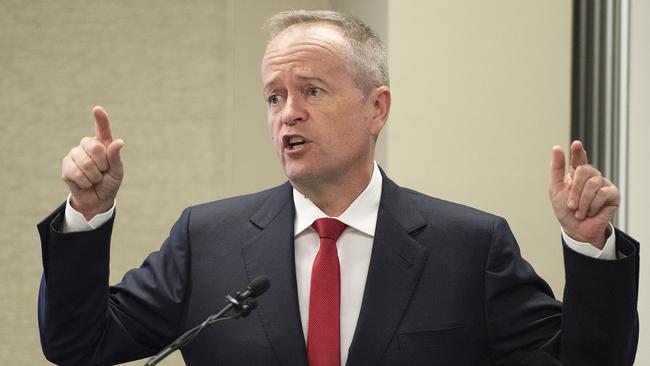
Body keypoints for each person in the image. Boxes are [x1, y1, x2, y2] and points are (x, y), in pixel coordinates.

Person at [37, 10, 638, 366]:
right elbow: (79, 344)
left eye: (312, 92)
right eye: (275, 97)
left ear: (377, 108)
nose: (287, 114)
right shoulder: (207, 239)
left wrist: (590, 249)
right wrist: (87, 215)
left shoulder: (470, 246)